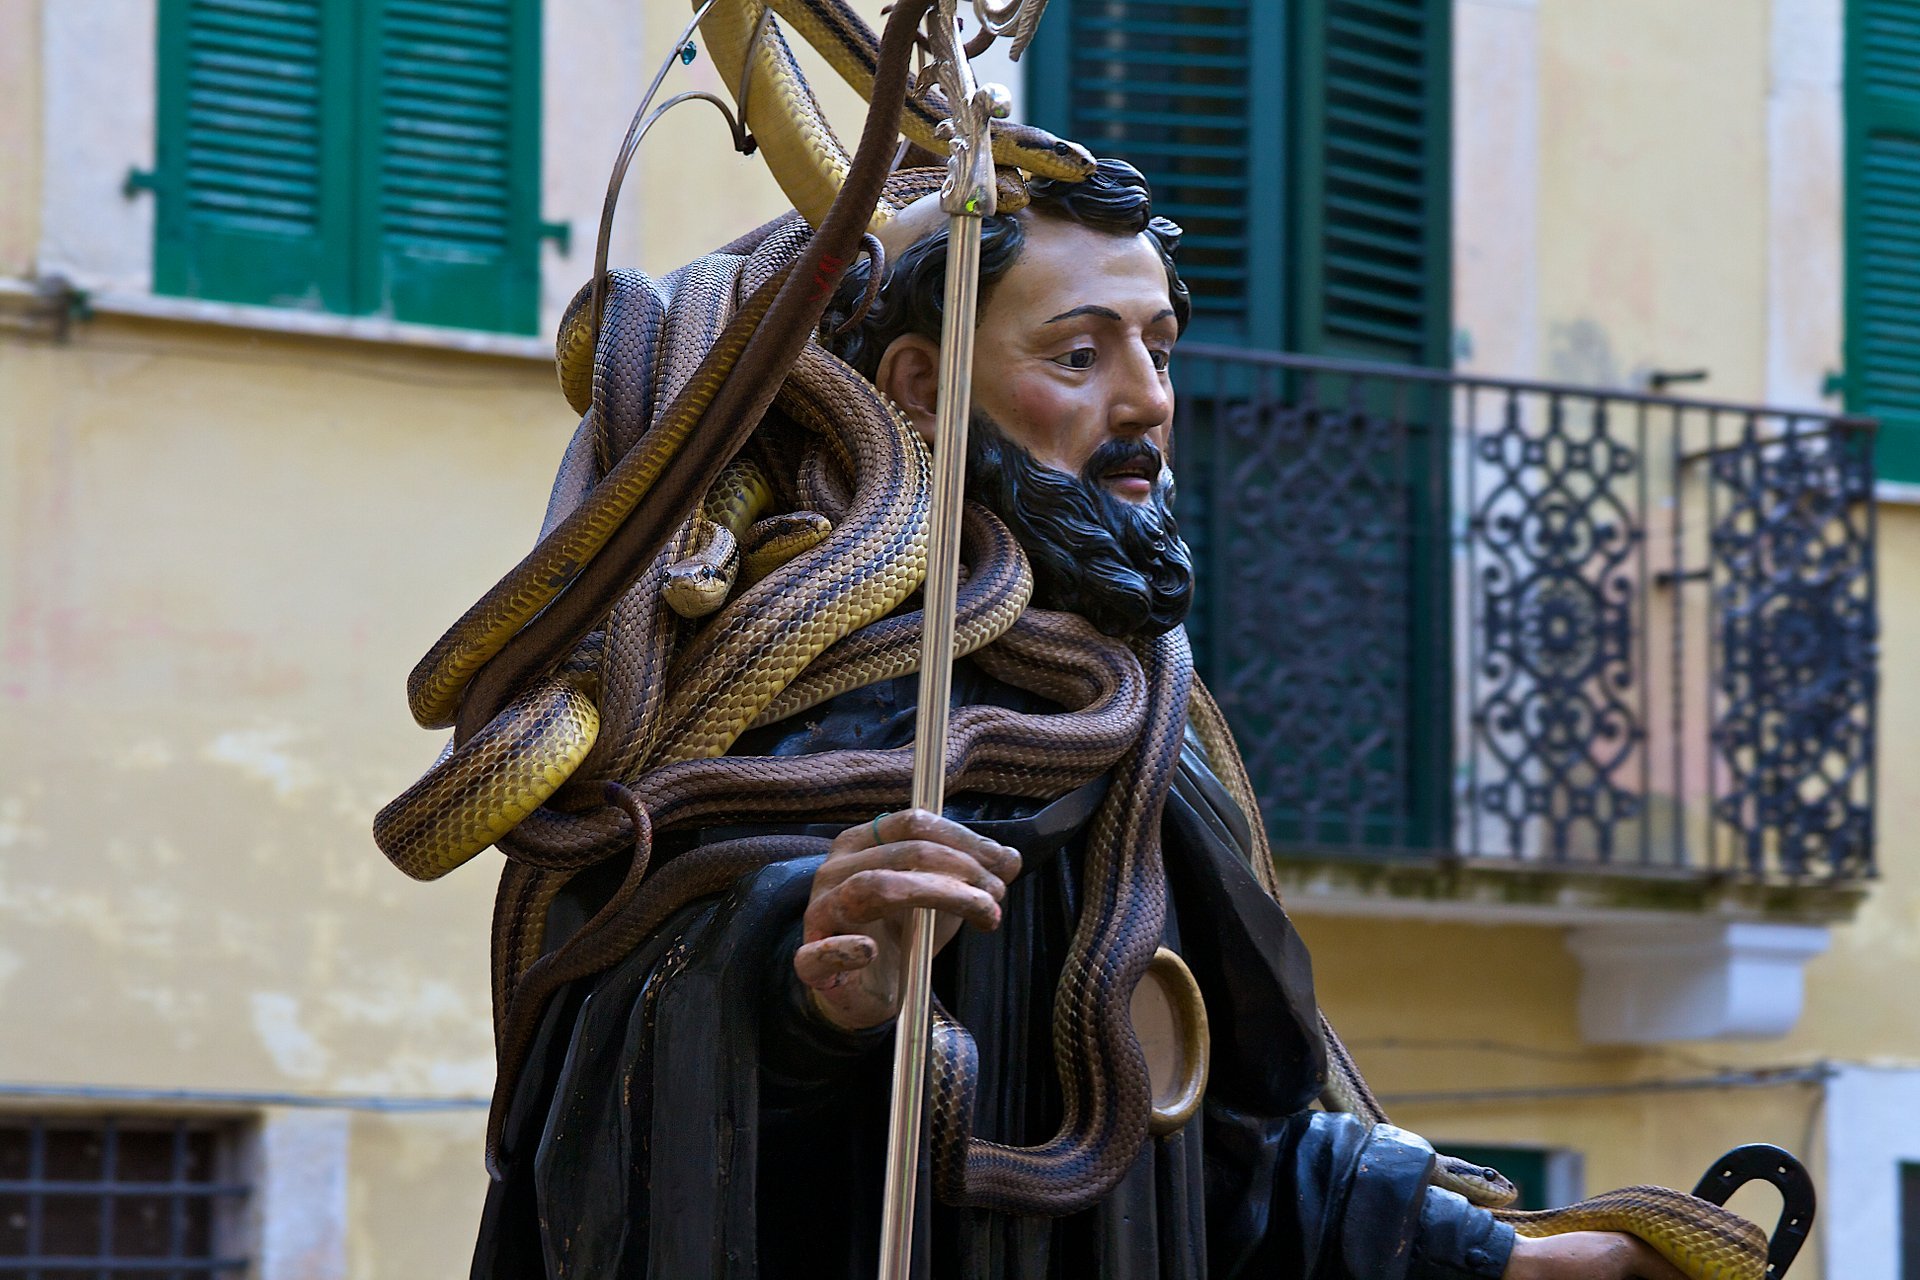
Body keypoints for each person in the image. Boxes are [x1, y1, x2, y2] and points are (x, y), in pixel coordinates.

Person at [470, 160, 1690, 1280]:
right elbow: (604, 1071)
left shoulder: (1144, 705)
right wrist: (805, 993)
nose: (1149, 399)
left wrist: (1510, 1263)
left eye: (1158, 347)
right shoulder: (786, 693)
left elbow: (1227, 1152)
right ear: (920, 390)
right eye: (1078, 356)